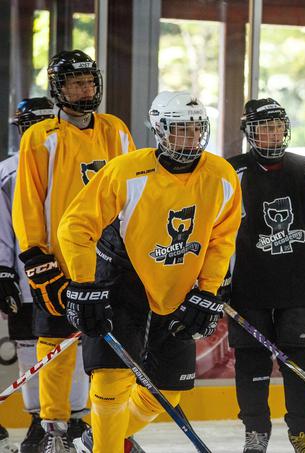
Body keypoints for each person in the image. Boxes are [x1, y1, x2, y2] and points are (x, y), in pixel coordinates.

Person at [57, 91, 241, 453]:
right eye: (179, 130)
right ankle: (107, 448)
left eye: (195, 129)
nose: (189, 138)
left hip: (178, 288)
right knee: (112, 379)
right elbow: (75, 226)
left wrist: (209, 290)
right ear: (159, 130)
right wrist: (83, 283)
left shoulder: (221, 175)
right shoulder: (126, 170)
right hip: (121, 280)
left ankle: (101, 436)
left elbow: (222, 237)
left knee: (169, 389)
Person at [12, 50, 136, 452]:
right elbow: (28, 202)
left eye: (89, 81)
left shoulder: (116, 130)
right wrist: (35, 256)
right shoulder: (41, 137)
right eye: (74, 82)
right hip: (60, 260)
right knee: (55, 343)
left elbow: (133, 192)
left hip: (110, 259)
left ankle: (112, 427)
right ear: (57, 89)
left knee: (113, 344)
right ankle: (54, 429)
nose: (85, 89)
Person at [227, 98, 305, 453]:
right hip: (248, 287)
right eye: (264, 127)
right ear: (250, 132)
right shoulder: (230, 172)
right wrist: (215, 280)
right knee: (251, 363)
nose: (272, 133)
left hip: (297, 287)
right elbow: (216, 233)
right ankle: (256, 431)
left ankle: (303, 433)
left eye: (277, 125)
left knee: (301, 363)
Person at [0, 98, 93, 453]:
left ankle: (76, 419)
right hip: (27, 281)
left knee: (79, 344)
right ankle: (41, 421)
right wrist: (4, 270)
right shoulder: (9, 170)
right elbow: (4, 231)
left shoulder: (80, 160)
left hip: (74, 271)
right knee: (32, 349)